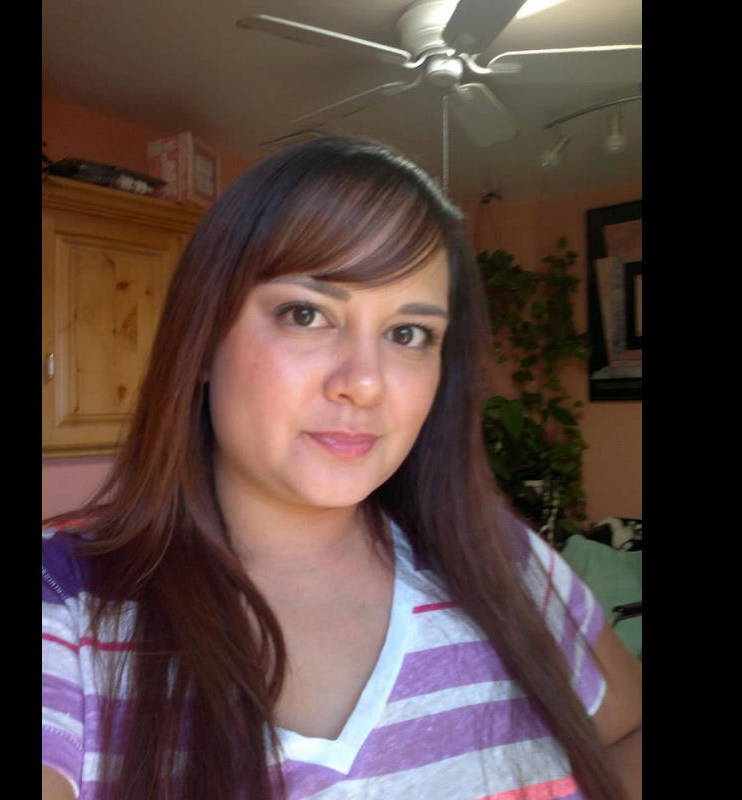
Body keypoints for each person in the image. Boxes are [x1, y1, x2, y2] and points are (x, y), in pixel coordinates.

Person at [42, 135, 641, 800]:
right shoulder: (62, 597)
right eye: (306, 315)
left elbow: (627, 733)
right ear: (204, 339)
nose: (365, 383)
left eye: (408, 334)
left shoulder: (504, 563)